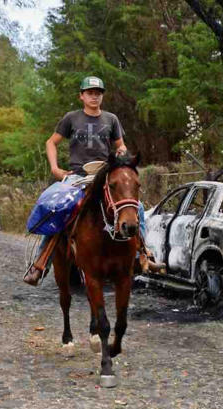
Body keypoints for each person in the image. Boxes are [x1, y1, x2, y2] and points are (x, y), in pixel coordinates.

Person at [23, 76, 148, 285]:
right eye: (90, 93)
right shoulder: (71, 118)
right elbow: (51, 142)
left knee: (138, 207)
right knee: (59, 208)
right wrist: (55, 168)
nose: (94, 97)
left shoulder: (111, 119)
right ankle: (40, 263)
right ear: (81, 96)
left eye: (98, 93)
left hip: (104, 175)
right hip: (77, 175)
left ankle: (141, 255)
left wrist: (122, 154)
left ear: (102, 96)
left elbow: (121, 145)